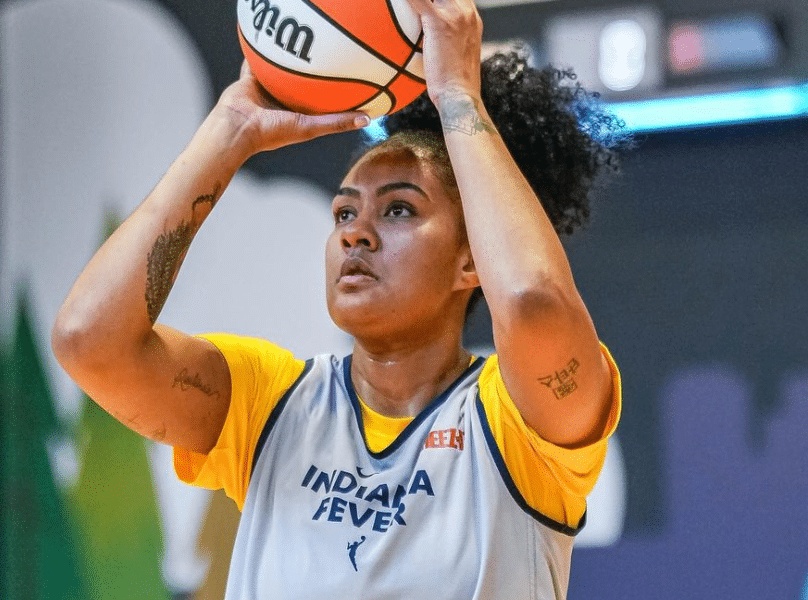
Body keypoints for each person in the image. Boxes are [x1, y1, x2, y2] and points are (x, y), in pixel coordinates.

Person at [52, 0, 626, 597]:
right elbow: (88, 340)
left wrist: (459, 98)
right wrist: (226, 136)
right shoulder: (269, 404)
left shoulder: (520, 423)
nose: (355, 231)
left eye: (399, 209)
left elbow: (533, 299)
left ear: (472, 259)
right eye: (345, 211)